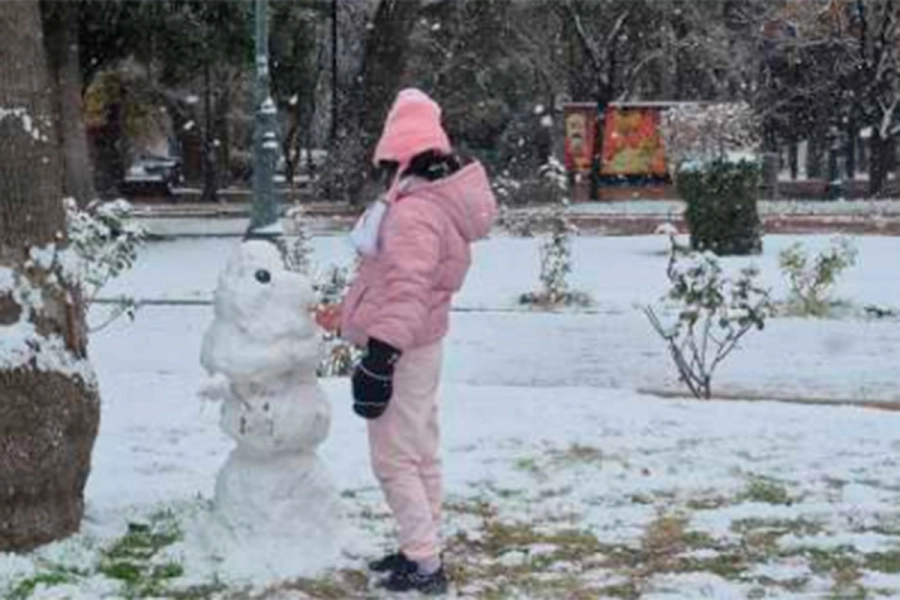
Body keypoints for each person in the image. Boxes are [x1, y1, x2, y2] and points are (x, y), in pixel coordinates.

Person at [319, 88, 497, 594]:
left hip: (404, 347)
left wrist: (380, 357)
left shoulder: (415, 210)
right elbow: (393, 284)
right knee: (420, 452)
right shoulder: (428, 200)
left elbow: (408, 288)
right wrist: (346, 318)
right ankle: (423, 548)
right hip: (420, 342)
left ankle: (424, 563)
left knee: (395, 458)